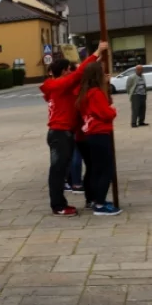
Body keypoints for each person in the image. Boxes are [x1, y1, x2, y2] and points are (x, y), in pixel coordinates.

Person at [40, 41, 107, 216]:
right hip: (60, 133)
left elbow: (80, 78)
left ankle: (78, 200)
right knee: (58, 171)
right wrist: (96, 51)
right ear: (63, 72)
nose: (71, 73)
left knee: (61, 169)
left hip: (66, 132)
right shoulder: (59, 85)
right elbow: (78, 74)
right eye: (69, 70)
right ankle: (58, 206)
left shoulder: (59, 86)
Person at [76, 62, 122, 216]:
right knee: (107, 169)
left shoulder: (84, 93)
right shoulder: (95, 93)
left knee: (97, 169)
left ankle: (96, 200)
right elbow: (105, 113)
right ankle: (100, 204)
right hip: (100, 132)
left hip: (91, 134)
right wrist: (112, 111)